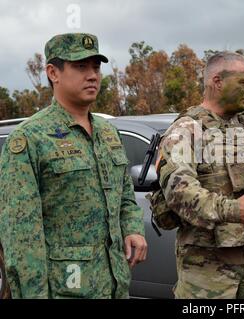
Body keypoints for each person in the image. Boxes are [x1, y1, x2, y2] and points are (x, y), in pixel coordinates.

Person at [0, 33, 147, 299]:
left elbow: (125, 196)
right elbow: (21, 236)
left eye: (96, 67)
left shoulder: (108, 133)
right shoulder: (29, 138)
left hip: (114, 284)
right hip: (65, 288)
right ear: (53, 72)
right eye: (81, 67)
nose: (92, 75)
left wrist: (133, 228)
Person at [153, 51, 244, 299]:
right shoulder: (187, 129)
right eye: (243, 82)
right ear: (217, 81)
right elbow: (179, 192)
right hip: (207, 267)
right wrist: (232, 210)